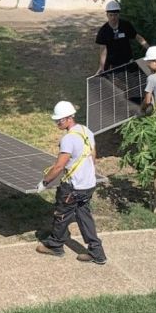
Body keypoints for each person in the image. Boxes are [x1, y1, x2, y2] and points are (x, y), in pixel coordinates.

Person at [35, 101, 107, 265]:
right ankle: (97, 253)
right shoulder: (86, 131)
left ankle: (55, 245)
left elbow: (59, 166)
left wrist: (45, 182)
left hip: (73, 188)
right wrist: (87, 174)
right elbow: (93, 156)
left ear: (68, 118)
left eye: (59, 120)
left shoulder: (68, 139)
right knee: (84, 216)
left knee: (62, 214)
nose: (57, 123)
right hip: (88, 185)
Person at [95, 0, 149, 74]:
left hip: (128, 63)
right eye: (111, 15)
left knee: (132, 83)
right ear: (107, 15)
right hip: (112, 65)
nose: (113, 17)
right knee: (115, 85)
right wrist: (101, 67)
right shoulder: (103, 31)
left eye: (115, 15)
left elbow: (138, 37)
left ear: (119, 14)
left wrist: (149, 49)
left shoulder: (126, 25)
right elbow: (103, 50)